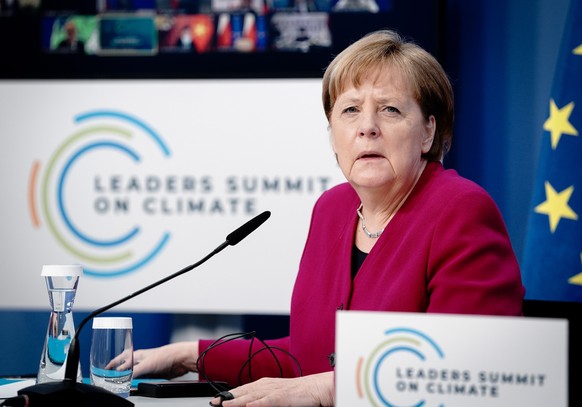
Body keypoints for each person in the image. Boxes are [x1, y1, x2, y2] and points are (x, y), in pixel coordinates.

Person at [125, 30, 525, 406]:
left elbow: (466, 368)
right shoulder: (333, 209)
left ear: (427, 133)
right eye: (350, 110)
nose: (367, 128)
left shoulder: (460, 210)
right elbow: (309, 359)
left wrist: (322, 390)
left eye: (389, 109)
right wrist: (187, 356)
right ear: (333, 134)